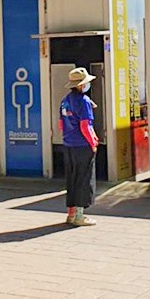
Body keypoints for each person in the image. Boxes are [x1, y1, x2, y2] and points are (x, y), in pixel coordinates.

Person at [58, 67, 99, 226]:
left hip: (68, 145)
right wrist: (93, 142)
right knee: (84, 179)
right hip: (82, 146)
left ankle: (71, 214)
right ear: (82, 85)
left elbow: (61, 124)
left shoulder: (65, 101)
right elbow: (85, 126)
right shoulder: (84, 101)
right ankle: (80, 216)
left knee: (72, 179)